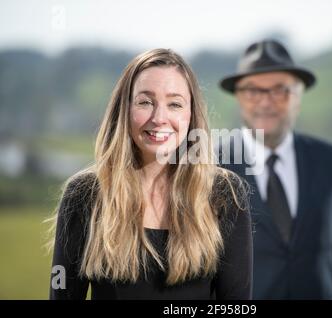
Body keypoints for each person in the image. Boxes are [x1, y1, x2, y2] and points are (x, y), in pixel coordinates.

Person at [47, 48, 253, 300]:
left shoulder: (224, 193)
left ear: (191, 115)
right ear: (124, 110)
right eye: (145, 102)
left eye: (175, 104)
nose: (159, 118)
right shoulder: (84, 193)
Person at [218, 39, 332, 299]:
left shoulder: (330, 160)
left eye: (280, 90)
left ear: (297, 97)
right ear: (238, 98)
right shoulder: (211, 164)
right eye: (252, 91)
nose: (266, 102)